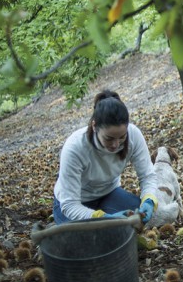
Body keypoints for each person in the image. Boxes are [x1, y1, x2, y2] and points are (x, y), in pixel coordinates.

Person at [53, 90, 158, 225]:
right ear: (94, 126)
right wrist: (104, 218)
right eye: (109, 138)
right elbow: (70, 205)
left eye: (122, 137)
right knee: (89, 239)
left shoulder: (134, 135)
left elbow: (147, 176)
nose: (115, 145)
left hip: (109, 193)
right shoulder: (75, 147)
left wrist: (149, 200)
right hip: (76, 202)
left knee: (139, 215)